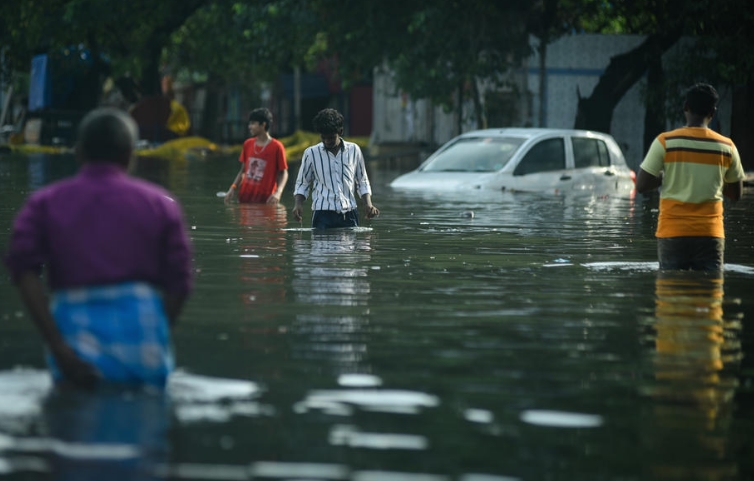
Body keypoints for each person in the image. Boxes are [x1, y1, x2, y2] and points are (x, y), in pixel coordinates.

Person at [4, 107, 193, 389]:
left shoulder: (45, 202)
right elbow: (181, 281)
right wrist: (158, 330)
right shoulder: (161, 205)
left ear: (79, 152)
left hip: (73, 335)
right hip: (144, 337)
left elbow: (21, 269)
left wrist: (58, 347)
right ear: (130, 155)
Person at [636, 83, 745, 272]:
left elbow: (642, 185)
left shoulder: (665, 142)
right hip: (710, 234)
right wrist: (714, 181)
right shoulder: (727, 147)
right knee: (709, 294)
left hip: (673, 233)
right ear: (713, 111)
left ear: (686, 107)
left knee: (671, 293)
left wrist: (665, 176)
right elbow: (736, 194)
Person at [292, 108, 379, 228]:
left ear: (341, 131)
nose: (327, 141)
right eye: (324, 138)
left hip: (349, 214)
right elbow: (302, 183)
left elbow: (362, 181)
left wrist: (368, 204)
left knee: (349, 246)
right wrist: (298, 205)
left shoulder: (354, 150)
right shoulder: (311, 153)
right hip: (322, 215)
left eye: (331, 138)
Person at [225, 108, 289, 204]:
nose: (249, 127)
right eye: (249, 123)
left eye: (253, 123)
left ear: (263, 124)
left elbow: (284, 173)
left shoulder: (277, 147)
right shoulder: (248, 144)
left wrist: (278, 192)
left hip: (266, 200)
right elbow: (243, 171)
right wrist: (233, 188)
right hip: (245, 198)